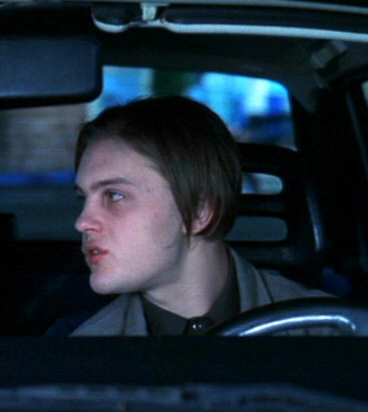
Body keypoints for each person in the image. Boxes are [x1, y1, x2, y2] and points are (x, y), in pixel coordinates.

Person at [70, 96, 327, 337]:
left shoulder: (330, 332)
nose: (82, 222)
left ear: (199, 211)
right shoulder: (80, 356)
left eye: (114, 195)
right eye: (83, 198)